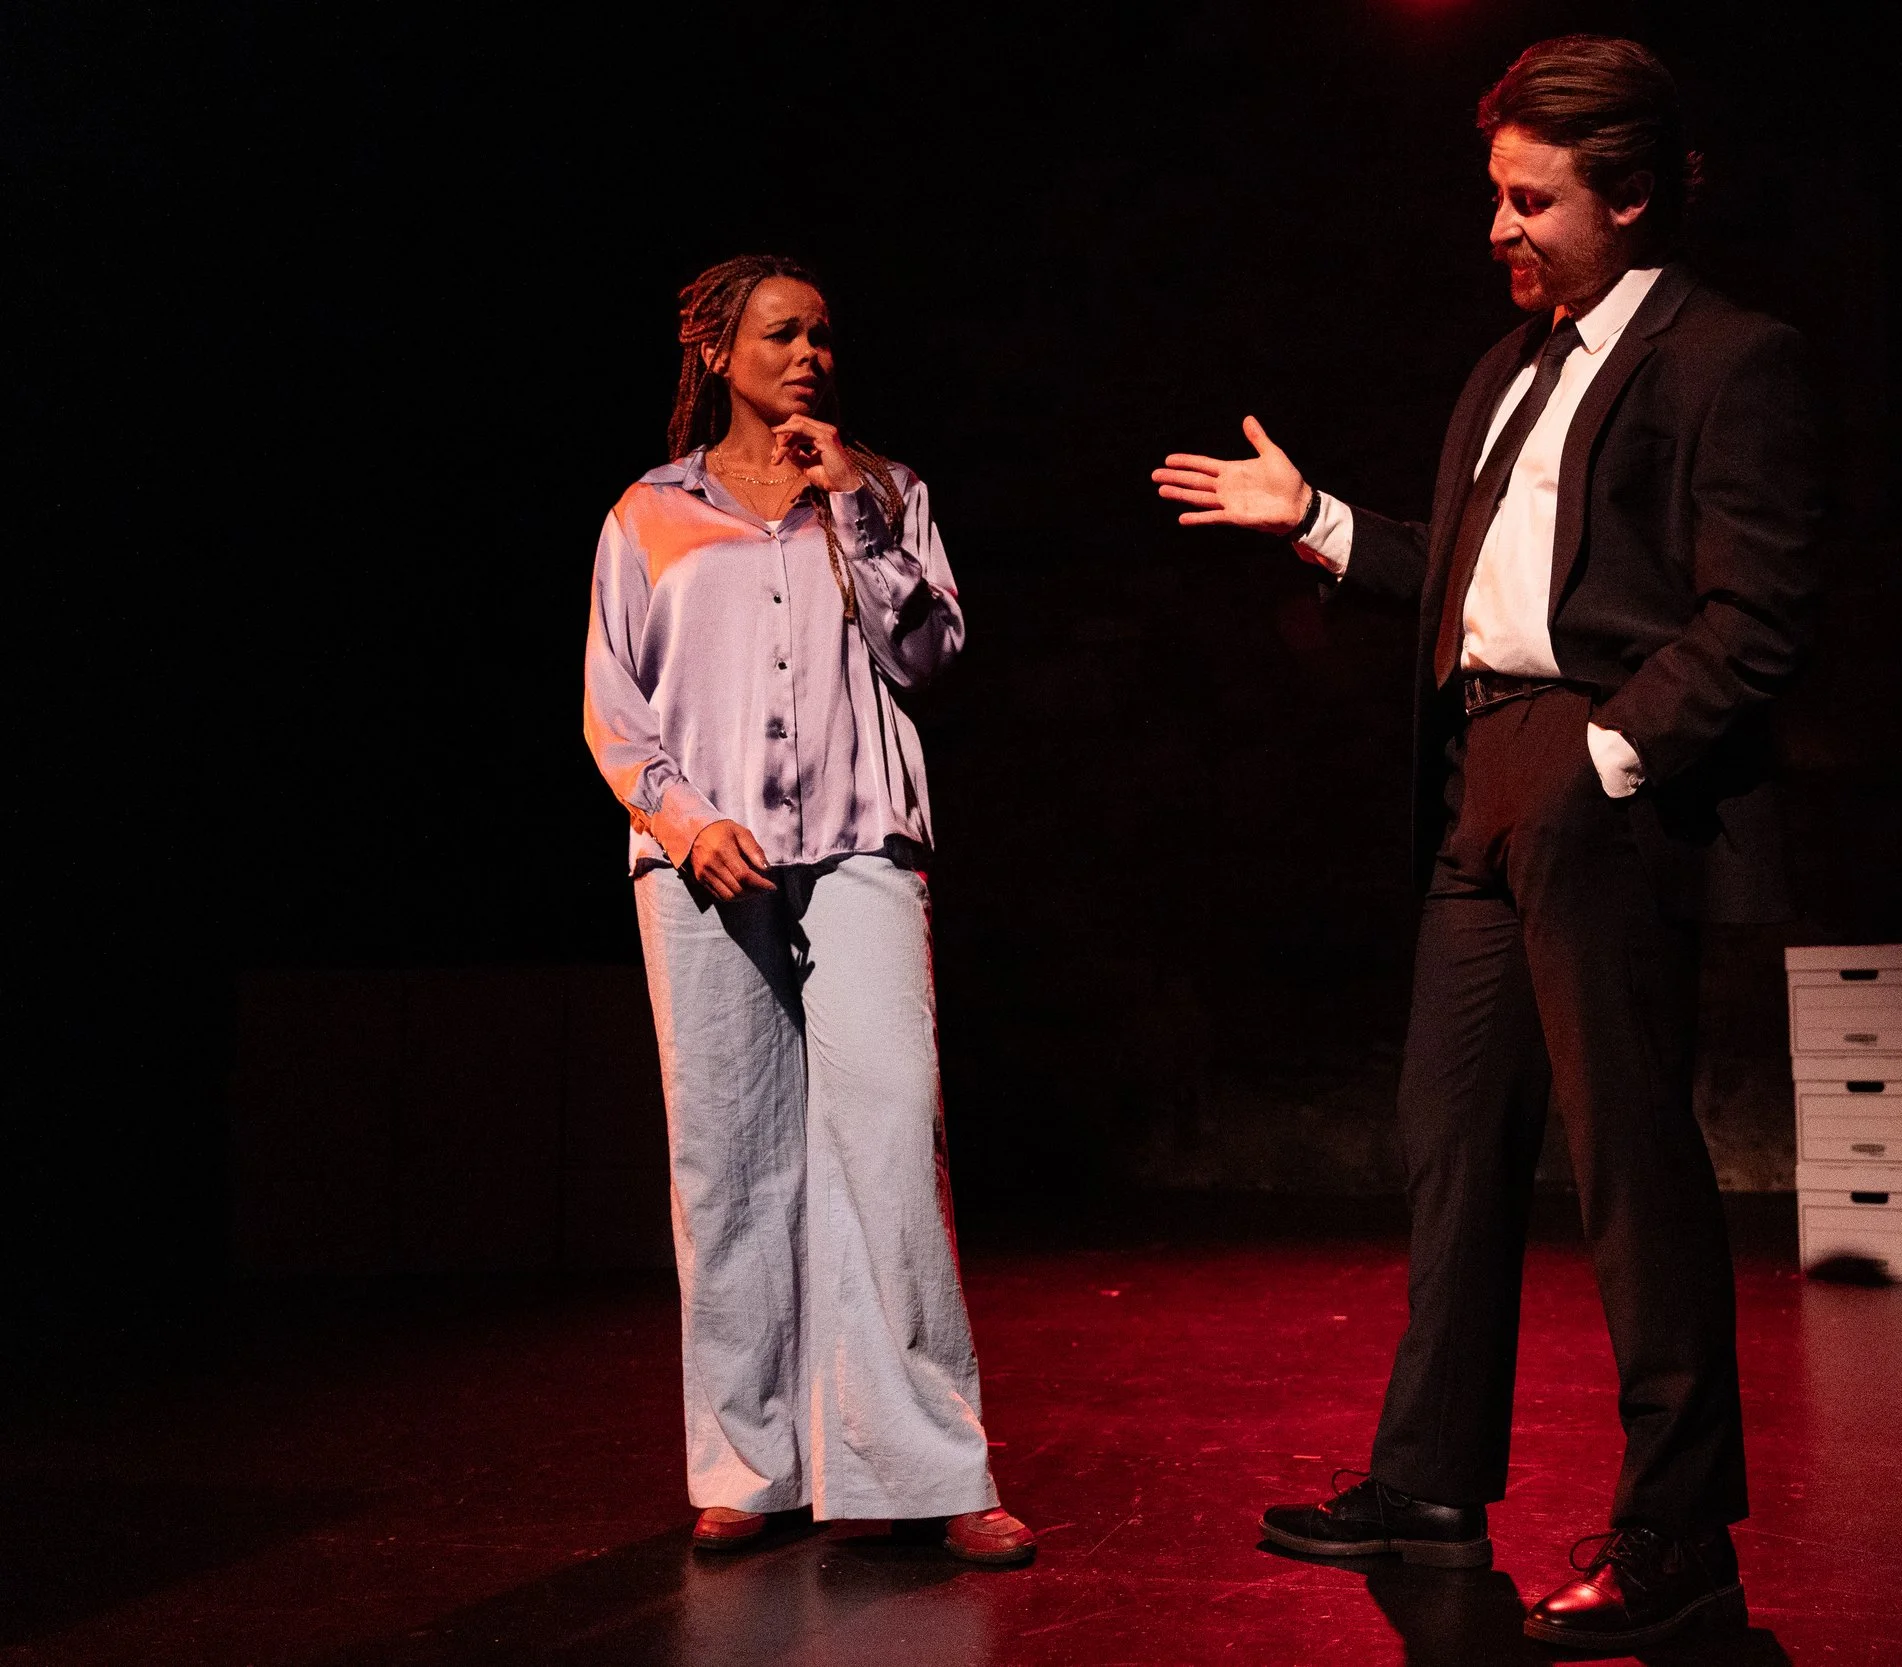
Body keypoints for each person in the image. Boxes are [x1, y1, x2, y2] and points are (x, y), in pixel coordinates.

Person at [1152, 35, 1822, 1652]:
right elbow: (1471, 580)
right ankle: (1430, 1482)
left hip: (1603, 781)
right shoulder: (1507, 368)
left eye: (1533, 199)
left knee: (1632, 1171)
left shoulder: (1729, 359)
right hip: (1481, 772)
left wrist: (1606, 755)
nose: (1501, 228)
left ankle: (1679, 1536)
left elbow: (1758, 617)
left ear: (1633, 195)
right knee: (1449, 1143)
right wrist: (1317, 523)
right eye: (1496, 196)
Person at [584, 254, 1032, 1566]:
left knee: (893, 1133)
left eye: (827, 334)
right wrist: (680, 817)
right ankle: (749, 1461)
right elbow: (614, 706)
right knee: (727, 1159)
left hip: (860, 843)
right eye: (785, 333)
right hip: (703, 857)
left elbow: (932, 655)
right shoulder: (647, 514)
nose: (813, 353)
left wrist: (863, 518)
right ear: (717, 349)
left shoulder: (885, 489)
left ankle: (934, 1465)